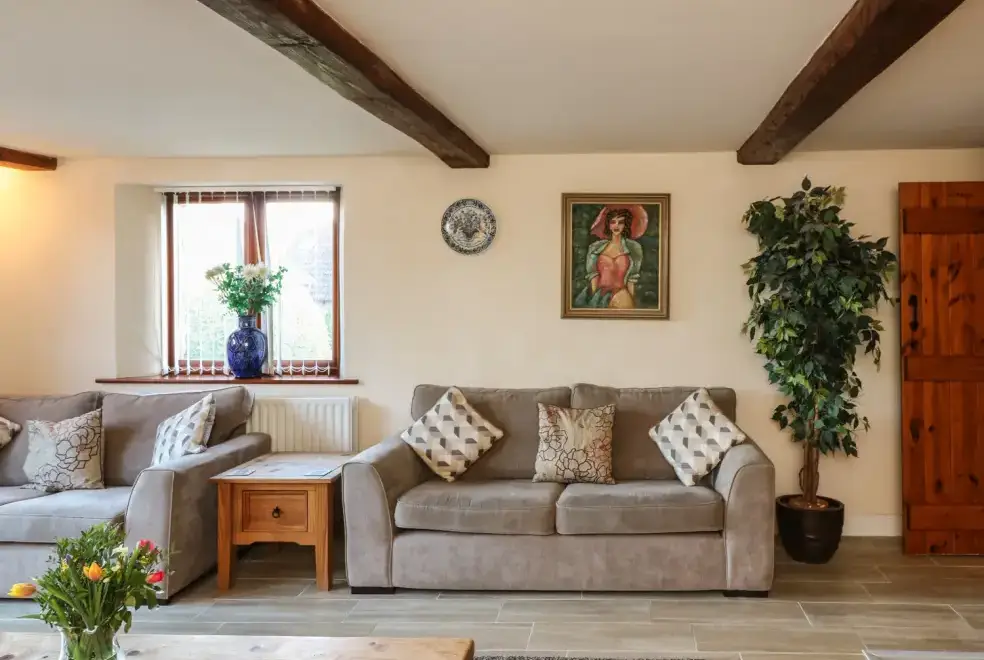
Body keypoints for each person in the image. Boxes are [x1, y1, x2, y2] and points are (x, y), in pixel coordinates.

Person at [574, 205, 647, 309]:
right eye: (613, 222)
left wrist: (632, 301)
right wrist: (595, 298)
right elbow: (593, 276)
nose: (616, 225)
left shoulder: (634, 248)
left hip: (622, 294)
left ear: (626, 224)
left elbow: (632, 279)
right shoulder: (595, 247)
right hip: (600, 295)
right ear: (608, 224)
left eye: (620, 222)